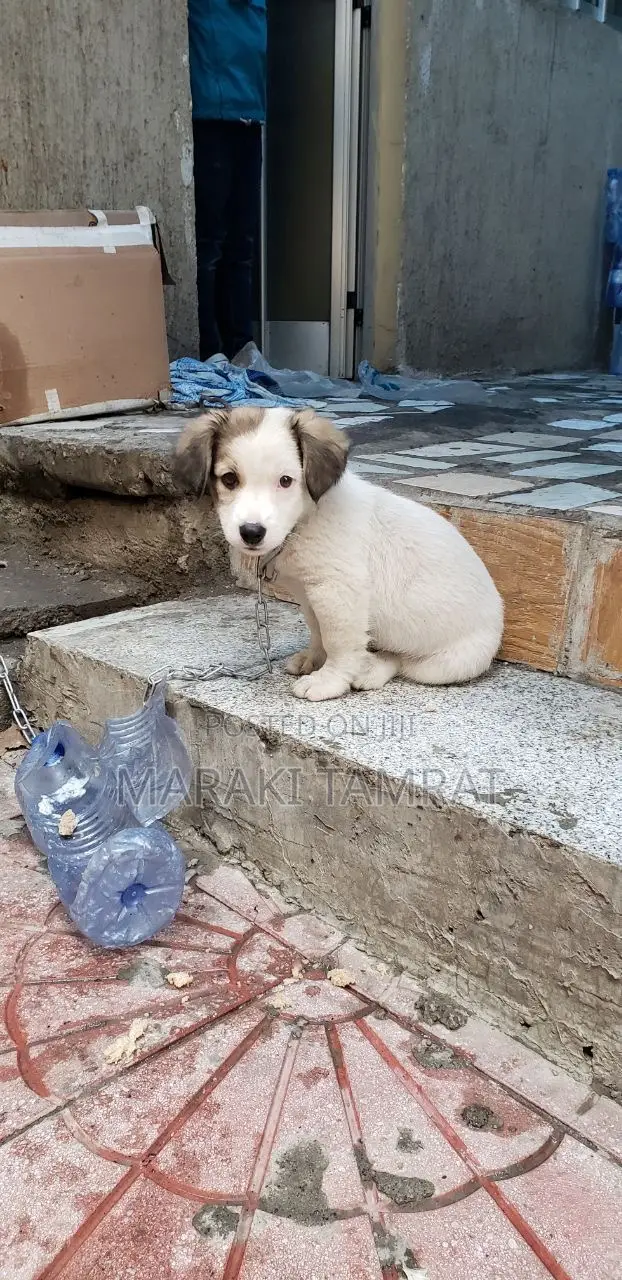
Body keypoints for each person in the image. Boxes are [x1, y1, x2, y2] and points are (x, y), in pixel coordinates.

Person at [188, 0, 267, 361]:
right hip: (210, 121)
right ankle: (210, 351)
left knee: (242, 245)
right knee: (210, 246)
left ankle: (241, 348)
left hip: (249, 120)